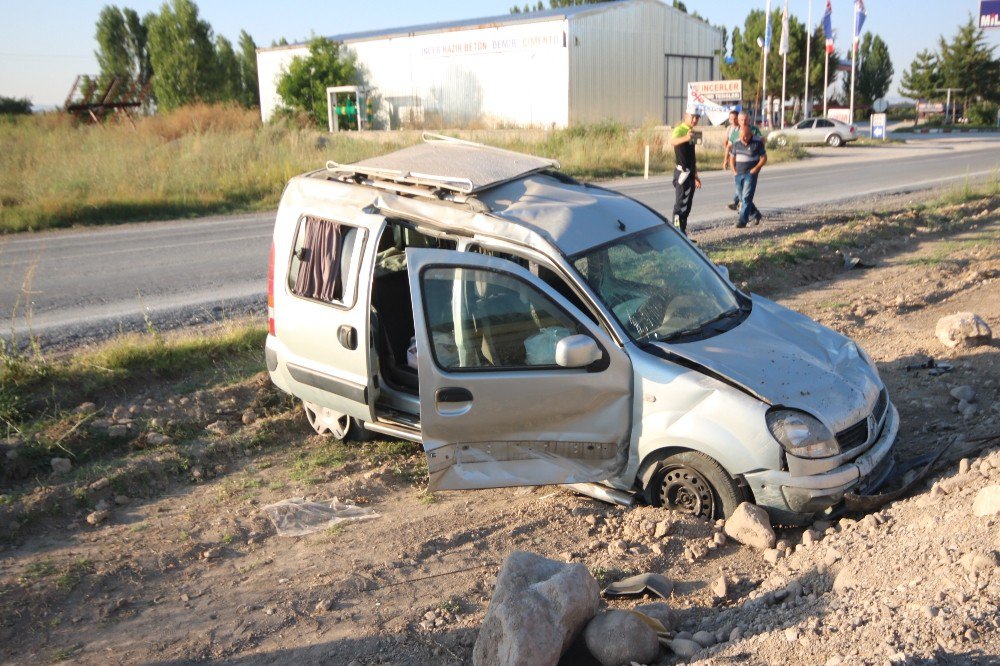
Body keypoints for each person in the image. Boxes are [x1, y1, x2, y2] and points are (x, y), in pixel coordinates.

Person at [670, 110, 701, 236]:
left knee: (687, 206)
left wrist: (696, 176)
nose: (695, 120)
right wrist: (686, 137)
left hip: (690, 173)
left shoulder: (692, 131)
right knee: (680, 206)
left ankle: (682, 232)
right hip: (682, 173)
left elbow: (691, 157)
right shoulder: (680, 129)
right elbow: (672, 141)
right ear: (686, 116)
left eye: (697, 117)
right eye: (693, 117)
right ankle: (677, 233)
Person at [730, 123, 767, 228]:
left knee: (746, 198)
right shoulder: (736, 143)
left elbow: (764, 158)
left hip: (750, 174)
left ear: (751, 134)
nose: (744, 138)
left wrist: (756, 168)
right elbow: (732, 157)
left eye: (746, 136)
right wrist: (733, 170)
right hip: (738, 174)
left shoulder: (757, 143)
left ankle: (742, 221)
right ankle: (756, 214)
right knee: (742, 198)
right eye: (742, 136)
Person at [726, 110, 761, 211]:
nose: (743, 122)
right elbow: (729, 146)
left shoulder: (754, 130)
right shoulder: (735, 132)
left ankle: (741, 205)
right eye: (741, 120)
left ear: (749, 120)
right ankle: (746, 208)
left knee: (746, 190)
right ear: (739, 120)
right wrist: (726, 160)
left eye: (745, 120)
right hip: (738, 165)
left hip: (752, 165)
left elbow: (761, 142)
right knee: (740, 187)